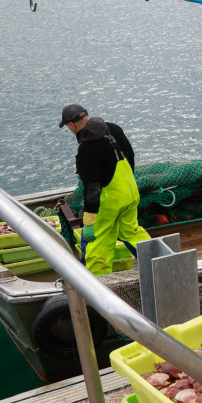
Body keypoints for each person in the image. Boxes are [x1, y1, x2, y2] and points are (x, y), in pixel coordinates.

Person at [59, 104, 151, 275]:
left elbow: (93, 187)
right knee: (132, 234)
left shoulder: (87, 149)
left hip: (109, 202)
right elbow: (130, 155)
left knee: (97, 245)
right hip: (130, 192)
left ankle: (98, 290)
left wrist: (88, 222)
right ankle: (162, 264)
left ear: (71, 125)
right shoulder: (113, 128)